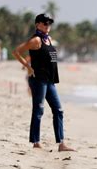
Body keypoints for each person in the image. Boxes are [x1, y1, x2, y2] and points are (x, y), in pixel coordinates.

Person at [12, 13, 74, 152]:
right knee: (38, 110)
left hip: (50, 81)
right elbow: (16, 52)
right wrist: (28, 67)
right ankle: (36, 142)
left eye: (49, 23)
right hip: (39, 81)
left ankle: (61, 144)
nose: (48, 26)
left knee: (58, 110)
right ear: (37, 24)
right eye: (45, 23)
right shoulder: (36, 40)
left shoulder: (49, 39)